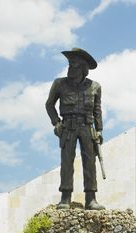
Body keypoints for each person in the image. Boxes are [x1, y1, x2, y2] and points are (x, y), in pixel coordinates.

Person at [45, 48, 105, 210]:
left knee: (89, 162)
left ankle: (91, 199)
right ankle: (65, 197)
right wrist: (56, 122)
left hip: (87, 126)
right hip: (68, 126)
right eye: (70, 64)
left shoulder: (95, 87)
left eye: (75, 65)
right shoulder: (59, 83)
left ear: (84, 68)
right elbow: (49, 105)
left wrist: (99, 130)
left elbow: (97, 110)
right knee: (66, 162)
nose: (71, 68)